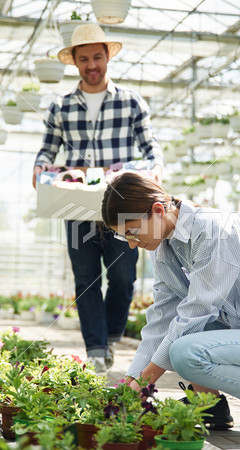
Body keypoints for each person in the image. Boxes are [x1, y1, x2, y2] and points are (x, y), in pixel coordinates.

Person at [101, 172, 240, 443]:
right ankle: (211, 406)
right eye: (126, 238)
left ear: (158, 210)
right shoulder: (164, 248)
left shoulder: (214, 229)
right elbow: (161, 319)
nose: (133, 244)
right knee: (175, 338)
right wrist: (130, 383)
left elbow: (197, 311)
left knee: (184, 349)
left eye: (133, 232)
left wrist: (144, 382)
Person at [32, 24, 163, 373]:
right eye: (84, 58)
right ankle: (96, 348)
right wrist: (40, 166)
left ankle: (112, 335)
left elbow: (151, 149)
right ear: (74, 62)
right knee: (85, 277)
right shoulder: (60, 107)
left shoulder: (131, 101)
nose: (92, 65)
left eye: (97, 57)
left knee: (123, 277)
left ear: (108, 57)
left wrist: (154, 168)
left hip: (120, 206)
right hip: (75, 204)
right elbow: (47, 150)